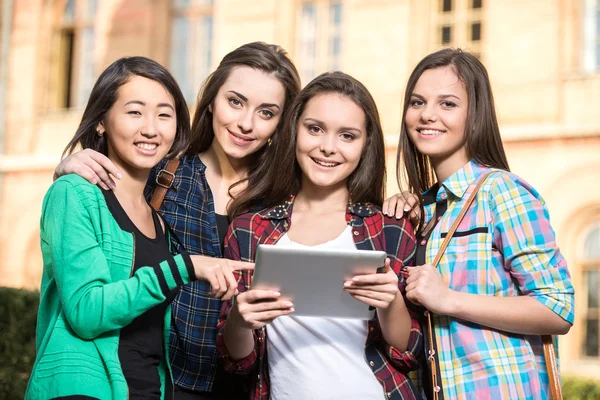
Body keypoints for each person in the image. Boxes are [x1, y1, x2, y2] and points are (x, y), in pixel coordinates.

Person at [52, 42, 302, 399]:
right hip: (167, 378)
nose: (246, 124)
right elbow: (88, 210)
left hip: (251, 381)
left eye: (266, 112)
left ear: (281, 123)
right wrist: (65, 167)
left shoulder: (286, 199)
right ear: (212, 100)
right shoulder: (161, 173)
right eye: (235, 102)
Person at [26, 56, 251, 399]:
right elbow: (87, 312)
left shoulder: (157, 216)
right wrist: (186, 266)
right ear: (101, 120)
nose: (150, 128)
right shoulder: (75, 193)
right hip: (86, 387)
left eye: (164, 114)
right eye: (134, 112)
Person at [218, 71, 423, 400]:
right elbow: (238, 363)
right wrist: (240, 322)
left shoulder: (390, 227)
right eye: (315, 129)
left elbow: (409, 352)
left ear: (365, 145)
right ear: (294, 130)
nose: (328, 147)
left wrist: (391, 302)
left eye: (347, 136)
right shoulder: (249, 229)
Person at [398, 48, 574, 399]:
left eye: (447, 104)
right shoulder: (426, 209)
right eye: (417, 102)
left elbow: (557, 307)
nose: (427, 115)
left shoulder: (502, 192)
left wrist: (449, 299)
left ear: (475, 115)